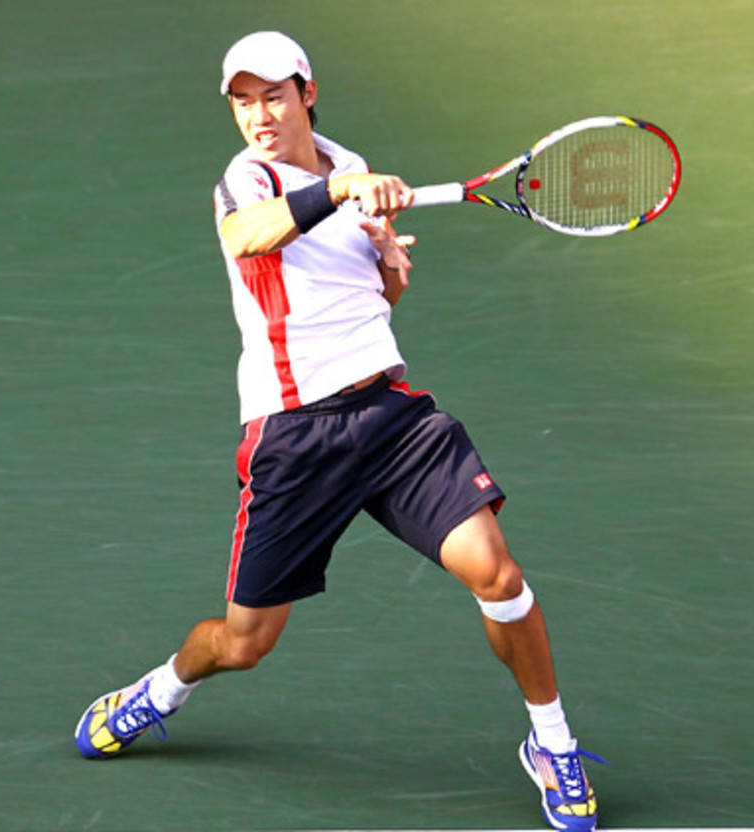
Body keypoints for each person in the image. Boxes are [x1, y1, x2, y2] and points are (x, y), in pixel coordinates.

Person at [74, 30, 604, 832]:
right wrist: (346, 193)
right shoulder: (246, 180)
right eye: (243, 100)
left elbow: (366, 303)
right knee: (244, 643)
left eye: (274, 95)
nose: (259, 114)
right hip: (295, 436)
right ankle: (164, 690)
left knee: (499, 577)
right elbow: (246, 236)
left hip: (391, 420)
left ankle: (552, 743)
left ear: (307, 91)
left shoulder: (348, 164)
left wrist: (388, 269)